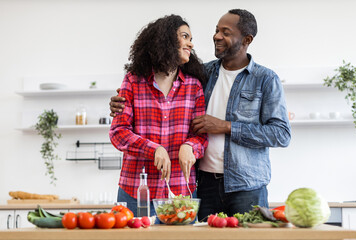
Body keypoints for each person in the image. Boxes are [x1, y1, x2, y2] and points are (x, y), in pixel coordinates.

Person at [110, 9, 291, 220]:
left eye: (225, 32)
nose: (216, 36)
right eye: (216, 30)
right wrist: (118, 102)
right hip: (202, 184)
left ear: (246, 39)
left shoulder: (265, 79)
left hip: (245, 184)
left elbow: (281, 134)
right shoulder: (201, 74)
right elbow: (122, 128)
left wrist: (223, 127)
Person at [109, 14, 208, 217]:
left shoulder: (194, 86)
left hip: (181, 193)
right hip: (134, 191)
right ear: (166, 40)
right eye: (185, 36)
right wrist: (154, 149)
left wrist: (191, 146)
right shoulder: (133, 82)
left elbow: (201, 136)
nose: (191, 43)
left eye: (190, 38)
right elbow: (118, 132)